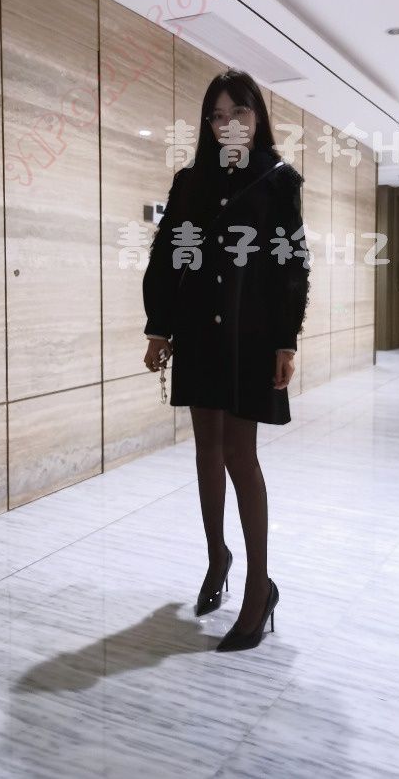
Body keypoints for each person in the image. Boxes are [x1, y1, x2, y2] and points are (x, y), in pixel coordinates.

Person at [142, 69, 310, 652]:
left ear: (257, 117)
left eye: (238, 112)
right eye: (216, 116)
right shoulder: (189, 181)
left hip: (250, 335)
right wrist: (158, 327)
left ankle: (259, 589)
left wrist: (286, 341)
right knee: (206, 452)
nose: (227, 124)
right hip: (197, 333)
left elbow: (292, 265)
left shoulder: (279, 181)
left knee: (240, 456)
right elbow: (167, 255)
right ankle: (218, 557)